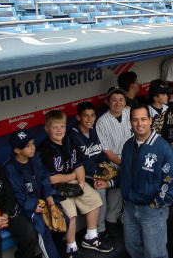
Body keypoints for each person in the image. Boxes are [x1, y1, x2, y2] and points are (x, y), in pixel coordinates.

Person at [95, 104, 173, 258]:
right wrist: (110, 183)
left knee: (154, 253)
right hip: (129, 207)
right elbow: (126, 174)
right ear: (130, 122)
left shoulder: (162, 148)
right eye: (135, 120)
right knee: (133, 248)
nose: (139, 123)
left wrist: (158, 202)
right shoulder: (128, 146)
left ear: (150, 120)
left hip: (152, 210)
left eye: (143, 119)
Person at [40, 110, 112, 256]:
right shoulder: (45, 149)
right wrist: (73, 176)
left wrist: (80, 183)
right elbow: (51, 179)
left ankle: (90, 237)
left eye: (62, 126)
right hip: (55, 188)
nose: (59, 130)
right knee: (70, 214)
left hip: (74, 180)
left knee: (94, 199)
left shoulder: (69, 140)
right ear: (47, 128)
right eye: (55, 127)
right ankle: (71, 247)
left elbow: (79, 165)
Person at [4, 129, 61, 258]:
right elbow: (17, 193)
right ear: (17, 150)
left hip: (42, 200)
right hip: (27, 208)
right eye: (27, 146)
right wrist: (33, 205)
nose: (32, 148)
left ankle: (57, 250)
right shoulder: (10, 168)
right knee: (44, 229)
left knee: (64, 219)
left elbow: (45, 179)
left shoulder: (36, 159)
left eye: (33, 144)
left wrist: (50, 197)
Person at [68, 102, 111, 238]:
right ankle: (100, 230)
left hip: (97, 171)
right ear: (78, 117)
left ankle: (112, 221)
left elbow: (101, 153)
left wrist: (106, 166)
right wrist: (99, 171)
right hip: (81, 176)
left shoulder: (93, 130)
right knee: (101, 189)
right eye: (86, 116)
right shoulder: (72, 135)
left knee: (119, 180)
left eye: (92, 115)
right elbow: (80, 163)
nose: (89, 119)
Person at [95, 88, 132, 229]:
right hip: (114, 161)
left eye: (121, 100)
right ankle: (111, 226)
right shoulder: (102, 121)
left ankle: (126, 221)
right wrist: (124, 164)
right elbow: (107, 150)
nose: (118, 103)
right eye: (114, 100)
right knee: (115, 197)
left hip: (133, 159)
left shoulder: (130, 113)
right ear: (108, 102)